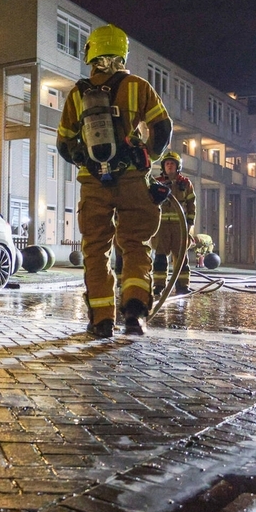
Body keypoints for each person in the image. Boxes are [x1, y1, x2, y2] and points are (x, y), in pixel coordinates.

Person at [57, 24, 173, 338]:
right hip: (134, 181)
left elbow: (64, 144)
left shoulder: (78, 93)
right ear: (121, 53)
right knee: (135, 245)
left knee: (96, 250)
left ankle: (102, 320)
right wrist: (145, 157)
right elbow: (162, 129)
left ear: (91, 53)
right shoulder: (138, 85)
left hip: (93, 185)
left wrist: (88, 162)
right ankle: (134, 314)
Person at [151, 151, 196, 295]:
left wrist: (189, 224)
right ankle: (158, 285)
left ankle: (183, 286)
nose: (169, 166)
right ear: (163, 167)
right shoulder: (156, 183)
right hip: (161, 227)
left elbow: (191, 204)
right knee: (160, 257)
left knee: (181, 257)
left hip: (180, 227)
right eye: (167, 164)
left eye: (172, 164)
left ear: (178, 166)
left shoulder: (185, 183)